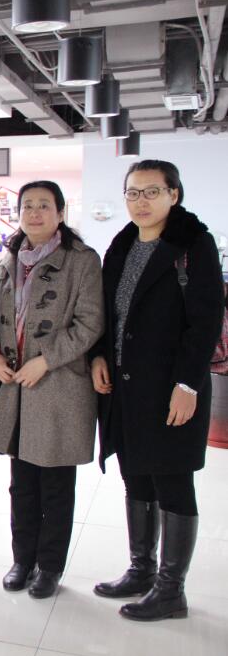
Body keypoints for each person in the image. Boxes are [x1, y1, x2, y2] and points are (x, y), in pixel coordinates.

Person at [91, 160, 223, 621]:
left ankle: (171, 590)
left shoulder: (193, 245)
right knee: (136, 476)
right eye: (133, 193)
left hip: (172, 388)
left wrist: (188, 383)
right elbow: (108, 313)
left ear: (174, 195)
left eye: (151, 192)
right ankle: (141, 570)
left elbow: (205, 321)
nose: (141, 202)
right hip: (126, 388)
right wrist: (99, 356)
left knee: (172, 480)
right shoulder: (122, 244)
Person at [0, 181, 103, 599]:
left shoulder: (82, 260)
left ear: (60, 213)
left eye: (43, 206)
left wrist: (46, 360)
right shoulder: (8, 260)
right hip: (15, 387)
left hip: (59, 387)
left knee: (55, 484)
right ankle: (22, 559)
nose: (34, 213)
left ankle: (49, 566)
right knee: (21, 482)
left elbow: (90, 323)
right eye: (27, 206)